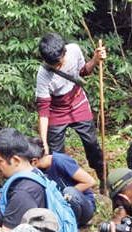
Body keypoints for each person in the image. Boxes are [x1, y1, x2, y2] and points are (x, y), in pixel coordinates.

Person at [36, 32, 106, 189]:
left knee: (92, 144)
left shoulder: (73, 50)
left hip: (78, 103)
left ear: (64, 52)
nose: (58, 67)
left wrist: (95, 60)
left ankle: (103, 177)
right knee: (55, 155)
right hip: (56, 111)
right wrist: (44, 142)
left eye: (60, 63)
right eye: (54, 66)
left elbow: (83, 72)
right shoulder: (43, 75)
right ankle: (62, 187)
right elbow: (43, 110)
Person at [27, 137, 96, 226]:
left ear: (34, 161)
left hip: (84, 207)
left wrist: (60, 197)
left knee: (69, 192)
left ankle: (72, 224)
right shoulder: (38, 172)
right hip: (62, 210)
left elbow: (90, 181)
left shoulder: (60, 161)